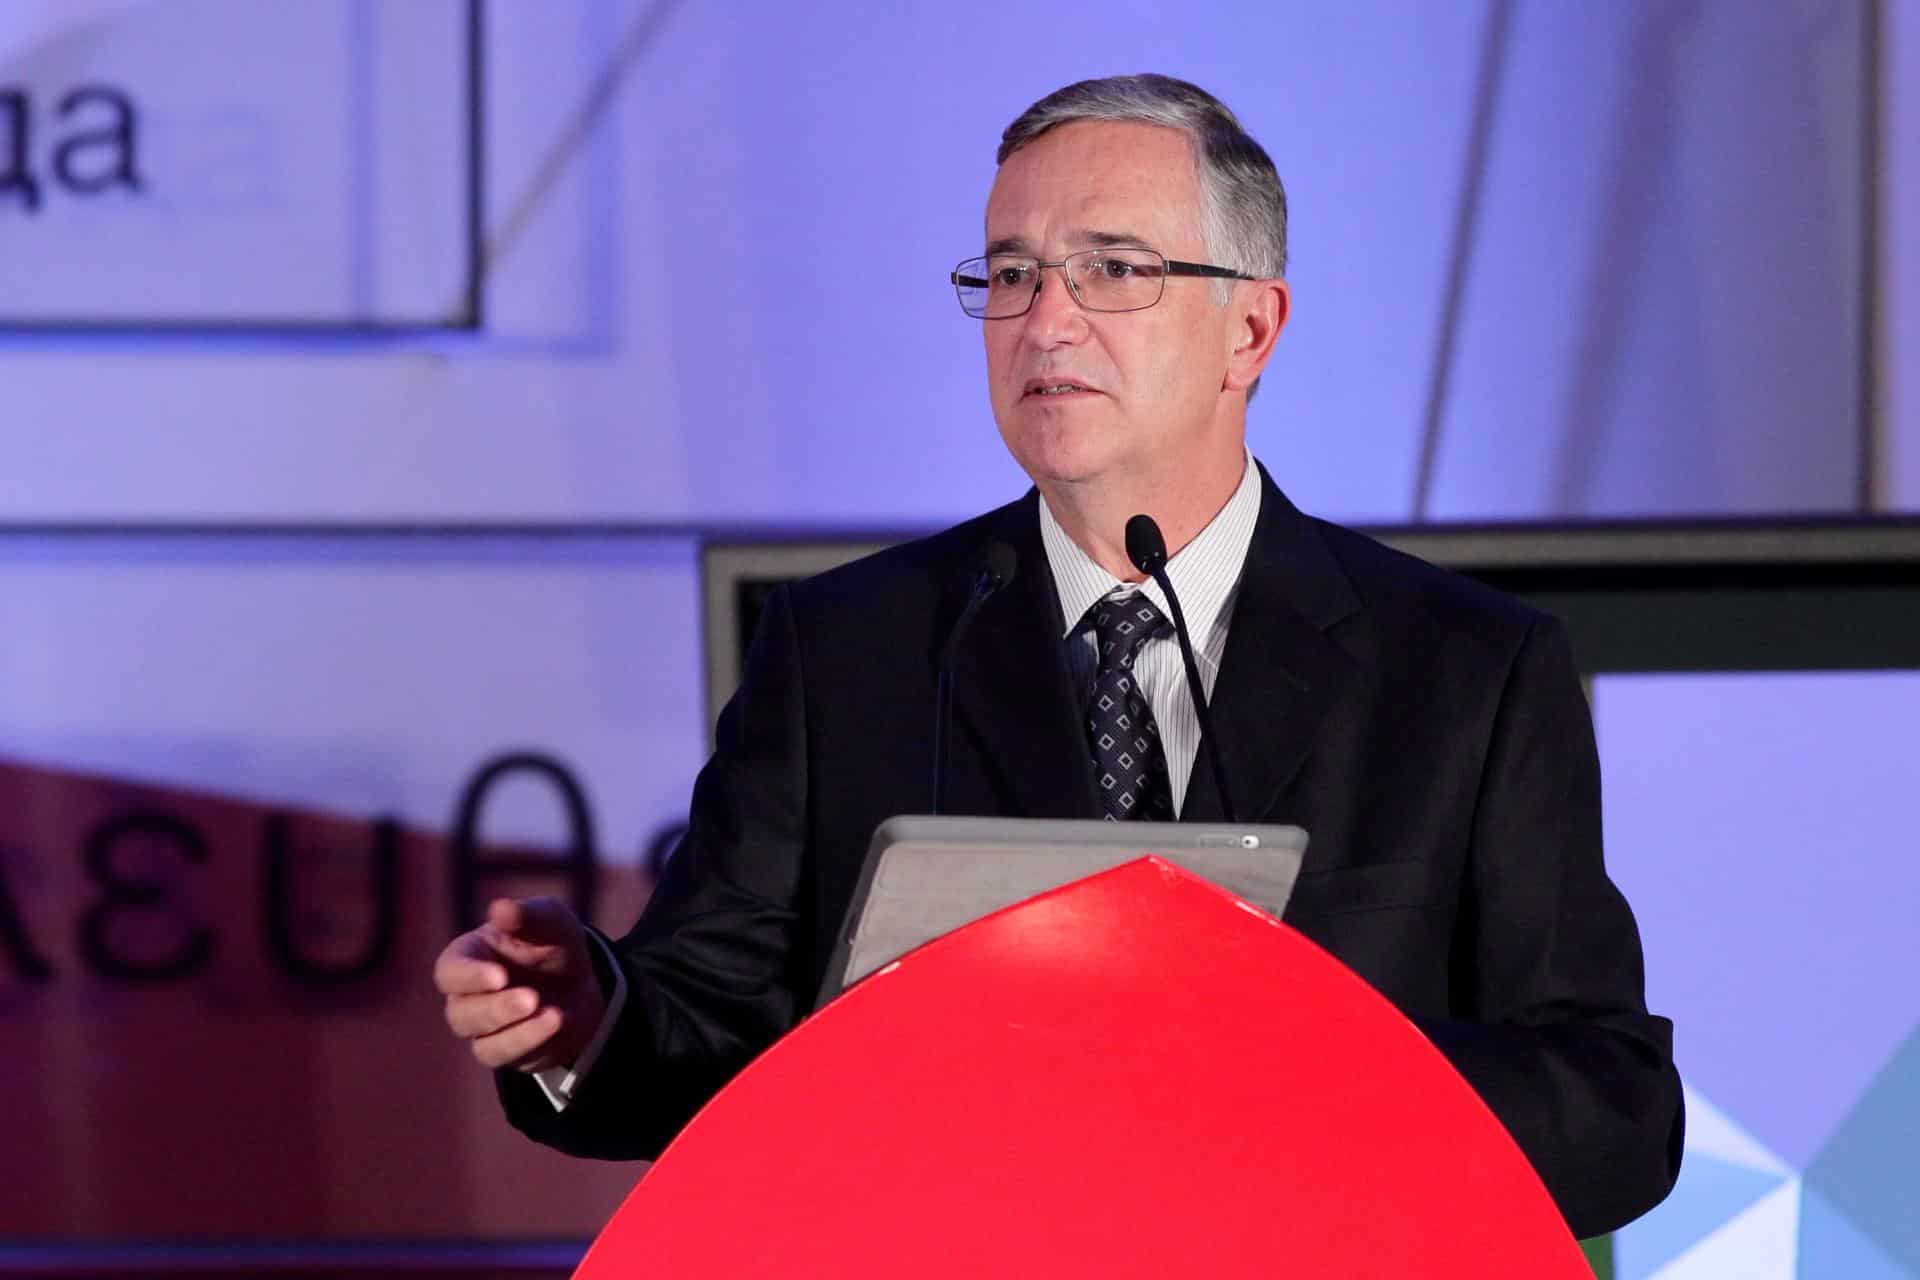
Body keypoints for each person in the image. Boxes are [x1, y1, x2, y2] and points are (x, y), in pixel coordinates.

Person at [435, 74, 1683, 1238]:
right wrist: (583, 1020)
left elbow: (1615, 1109)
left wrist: (1322, 1073)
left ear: (1251, 327)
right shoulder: (849, 649)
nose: (1048, 320)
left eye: (1114, 269)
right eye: (1014, 274)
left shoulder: (1464, 668)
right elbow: (711, 1032)